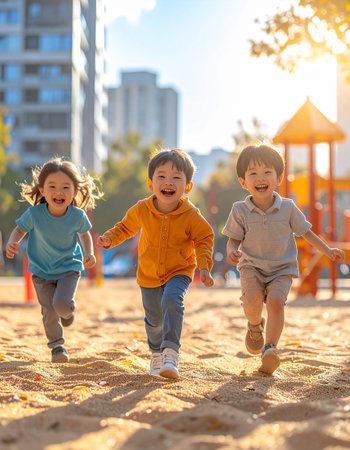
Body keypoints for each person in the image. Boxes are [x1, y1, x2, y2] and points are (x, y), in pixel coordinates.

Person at [222, 143, 345, 374]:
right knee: (252, 302)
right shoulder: (239, 210)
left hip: (281, 269)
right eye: (253, 173)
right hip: (251, 267)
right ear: (243, 182)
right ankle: (255, 325)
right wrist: (231, 250)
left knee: (277, 301)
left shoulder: (288, 207)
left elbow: (307, 232)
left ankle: (270, 348)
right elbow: (233, 239)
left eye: (267, 172)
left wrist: (328, 250)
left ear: (278, 178)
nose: (261, 178)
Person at [98, 148, 214, 379]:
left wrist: (204, 266)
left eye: (176, 178)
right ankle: (156, 354)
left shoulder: (191, 215)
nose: (168, 182)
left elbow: (204, 238)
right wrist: (110, 238)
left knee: (172, 301)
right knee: (153, 319)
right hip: (148, 274)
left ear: (187, 187)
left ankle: (171, 352)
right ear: (151, 183)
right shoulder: (142, 209)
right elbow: (125, 227)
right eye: (161, 176)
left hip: (179, 271)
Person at [6, 157, 103, 363]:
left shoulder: (77, 215)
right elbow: (19, 229)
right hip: (41, 271)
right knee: (49, 311)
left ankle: (68, 312)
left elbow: (85, 235)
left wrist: (89, 253)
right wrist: (12, 242)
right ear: (42, 190)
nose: (59, 192)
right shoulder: (34, 213)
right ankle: (57, 347)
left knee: (61, 305)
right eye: (52, 186)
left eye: (65, 187)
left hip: (69, 267)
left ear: (74, 192)